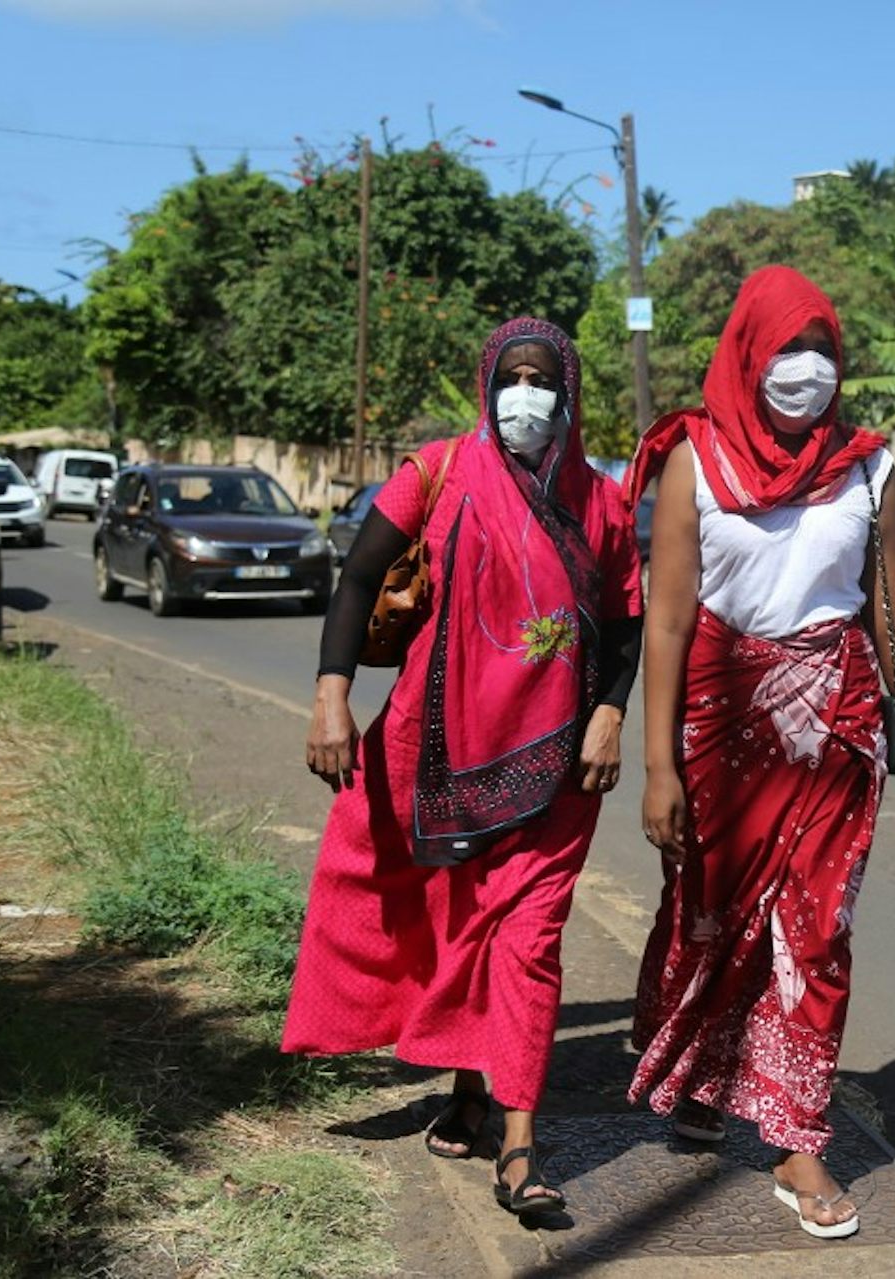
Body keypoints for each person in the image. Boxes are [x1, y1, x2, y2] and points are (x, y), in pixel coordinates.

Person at [282, 317, 643, 1222]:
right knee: (450, 925)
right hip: (433, 753)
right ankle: (470, 1087)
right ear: (488, 384)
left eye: (543, 378)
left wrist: (609, 713)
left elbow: (627, 622)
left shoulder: (599, 500)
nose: (527, 393)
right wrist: (332, 696)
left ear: (569, 392)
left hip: (558, 766)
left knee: (526, 939)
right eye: (512, 376)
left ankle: (520, 1146)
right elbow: (358, 579)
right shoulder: (436, 473)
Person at [623, 266, 895, 1240]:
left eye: (821, 350)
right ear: (746, 353)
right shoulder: (695, 459)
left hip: (838, 723)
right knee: (710, 919)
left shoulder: (867, 466)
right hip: (720, 726)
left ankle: (797, 1136)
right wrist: (656, 767)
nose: (803, 369)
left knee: (813, 936)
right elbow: (669, 621)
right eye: (785, 349)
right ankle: (700, 1077)